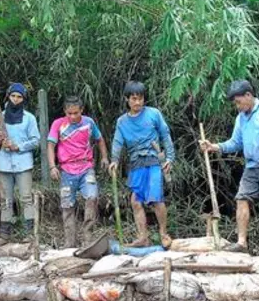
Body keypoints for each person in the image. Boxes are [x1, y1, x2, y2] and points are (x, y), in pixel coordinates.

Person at [200, 80, 259, 262]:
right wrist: (214, 146)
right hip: (251, 166)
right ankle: (242, 243)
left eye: (238, 102)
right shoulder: (241, 118)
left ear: (248, 95)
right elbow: (235, 143)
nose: (237, 106)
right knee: (242, 198)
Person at [108, 81, 175, 246]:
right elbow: (117, 142)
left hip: (153, 159)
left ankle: (164, 234)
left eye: (140, 98)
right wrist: (114, 161)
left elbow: (165, 136)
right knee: (135, 201)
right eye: (134, 99)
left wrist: (170, 158)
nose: (137, 102)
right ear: (127, 99)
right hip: (136, 162)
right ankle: (143, 237)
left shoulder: (154, 114)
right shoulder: (122, 122)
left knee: (156, 198)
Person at [47, 96, 109, 247]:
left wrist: (105, 158)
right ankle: (70, 243)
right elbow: (50, 145)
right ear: (65, 111)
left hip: (86, 167)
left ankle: (88, 239)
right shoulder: (58, 124)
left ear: (82, 110)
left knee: (92, 197)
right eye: (69, 113)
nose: (73, 116)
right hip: (67, 170)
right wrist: (52, 166)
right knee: (67, 206)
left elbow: (100, 139)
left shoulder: (89, 123)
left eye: (76, 113)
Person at [0, 83, 40, 244]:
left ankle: (29, 234)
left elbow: (36, 141)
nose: (16, 100)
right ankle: (5, 235)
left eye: (19, 97)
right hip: (4, 164)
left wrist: (18, 146)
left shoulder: (29, 118)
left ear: (23, 99)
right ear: (8, 97)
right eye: (13, 96)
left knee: (26, 198)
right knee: (5, 199)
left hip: (23, 164)